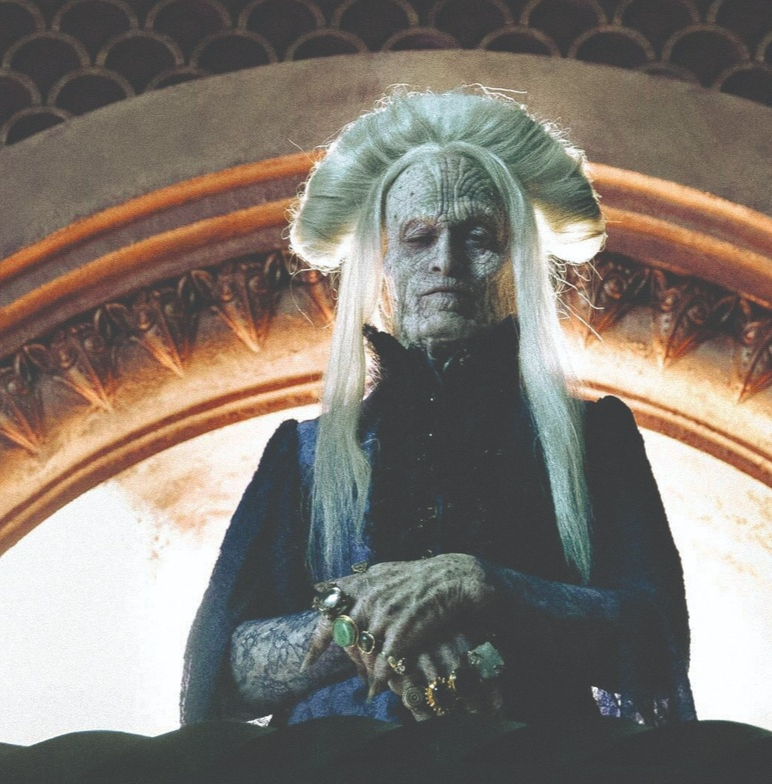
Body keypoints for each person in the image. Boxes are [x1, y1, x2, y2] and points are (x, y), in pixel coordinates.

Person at [180, 89, 695, 729]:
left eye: (477, 236)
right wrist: (359, 625)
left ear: (516, 259)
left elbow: (658, 642)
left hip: (540, 783)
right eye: (419, 237)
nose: (445, 262)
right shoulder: (303, 454)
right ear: (386, 259)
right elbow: (221, 674)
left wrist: (480, 585)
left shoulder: (595, 439)